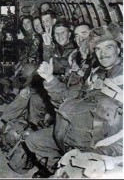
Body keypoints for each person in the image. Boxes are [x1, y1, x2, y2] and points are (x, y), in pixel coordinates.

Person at [23, 26, 123, 178]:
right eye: (98, 49)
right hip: (68, 129)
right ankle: (55, 167)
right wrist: (50, 79)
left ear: (119, 49)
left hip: (95, 142)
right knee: (33, 140)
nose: (103, 54)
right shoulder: (95, 73)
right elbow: (70, 96)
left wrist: (100, 156)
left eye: (108, 47)